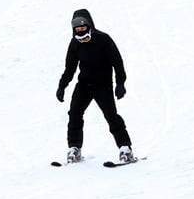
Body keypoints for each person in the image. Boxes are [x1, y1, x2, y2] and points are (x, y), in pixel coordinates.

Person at [56, 9, 136, 164]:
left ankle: (125, 148)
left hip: (103, 84)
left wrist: (120, 83)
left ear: (89, 25)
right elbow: (70, 68)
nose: (80, 32)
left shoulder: (103, 39)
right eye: (77, 29)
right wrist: (62, 86)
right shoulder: (74, 44)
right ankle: (74, 148)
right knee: (74, 114)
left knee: (111, 115)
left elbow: (117, 62)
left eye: (83, 28)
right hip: (84, 84)